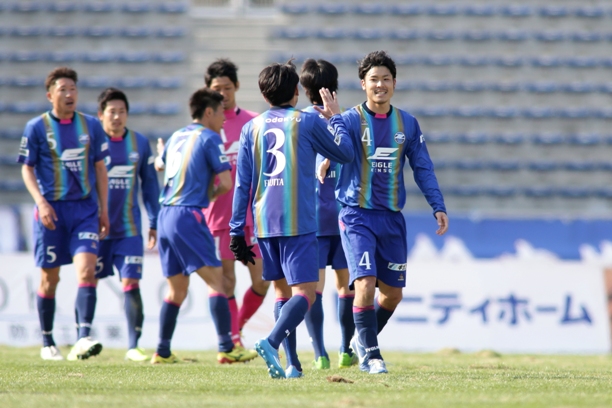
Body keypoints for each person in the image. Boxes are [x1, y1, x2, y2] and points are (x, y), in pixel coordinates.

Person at [320, 51, 449, 374]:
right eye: (374, 79)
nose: (380, 85)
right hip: (356, 215)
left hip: (391, 219)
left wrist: (438, 205)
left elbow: (423, 168)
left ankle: (361, 341)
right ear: (363, 84)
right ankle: (371, 356)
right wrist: (327, 156)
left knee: (392, 295)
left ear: (394, 83)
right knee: (364, 284)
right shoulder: (350, 119)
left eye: (386, 79)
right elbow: (336, 148)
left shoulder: (408, 124)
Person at [229, 60, 354, 379]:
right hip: (298, 221)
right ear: (296, 92)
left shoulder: (251, 127)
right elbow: (346, 153)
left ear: (264, 94)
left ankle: (292, 365)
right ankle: (271, 342)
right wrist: (336, 118)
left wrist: (236, 231)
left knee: (281, 293)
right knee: (305, 294)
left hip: (264, 222)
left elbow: (242, 184)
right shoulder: (306, 122)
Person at [151, 87, 257, 365]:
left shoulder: (177, 135)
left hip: (165, 214)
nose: (224, 119)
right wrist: (207, 196)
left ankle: (162, 351)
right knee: (218, 282)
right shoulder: (210, 138)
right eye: (221, 113)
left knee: (177, 289)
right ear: (209, 112)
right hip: (188, 215)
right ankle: (227, 347)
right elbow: (226, 183)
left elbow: (159, 164)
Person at [17, 67, 109, 361]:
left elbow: (100, 168)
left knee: (87, 271)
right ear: (50, 95)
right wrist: (41, 203)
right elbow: (27, 168)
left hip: (84, 210)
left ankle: (83, 337)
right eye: (63, 90)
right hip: (52, 212)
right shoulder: (36, 127)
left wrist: (104, 210)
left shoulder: (91, 125)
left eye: (73, 89)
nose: (70, 94)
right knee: (50, 279)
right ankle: (47, 342)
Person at [203, 59, 270, 348]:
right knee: (226, 281)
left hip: (252, 216)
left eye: (227, 87)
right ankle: (232, 341)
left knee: (262, 280)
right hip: (218, 216)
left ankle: (237, 327)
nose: (222, 94)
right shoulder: (206, 127)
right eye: (216, 88)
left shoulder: (255, 122)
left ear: (237, 86)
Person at [299, 58, 357, 370]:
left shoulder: (300, 120)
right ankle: (345, 350)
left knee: (314, 289)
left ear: (304, 88)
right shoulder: (347, 119)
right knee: (346, 286)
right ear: (335, 85)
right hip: (346, 215)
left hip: (312, 218)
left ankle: (320, 354)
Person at [95, 88, 160, 361]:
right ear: (101, 115)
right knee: (87, 280)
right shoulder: (91, 142)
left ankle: (133, 346)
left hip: (129, 230)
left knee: (131, 283)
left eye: (122, 111)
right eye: (112, 111)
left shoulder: (139, 143)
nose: (117, 116)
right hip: (95, 229)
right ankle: (81, 339)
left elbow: (150, 185)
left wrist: (154, 221)